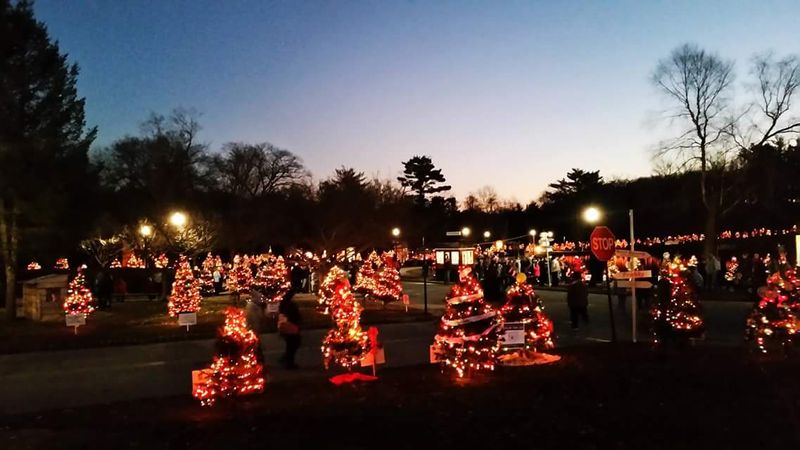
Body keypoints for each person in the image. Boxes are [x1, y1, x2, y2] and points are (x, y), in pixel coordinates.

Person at [278, 289, 302, 369]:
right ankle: (288, 362)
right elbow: (293, 314)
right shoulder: (288, 304)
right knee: (293, 344)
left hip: (289, 325)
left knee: (291, 345)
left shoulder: (285, 303)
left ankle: (287, 360)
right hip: (290, 325)